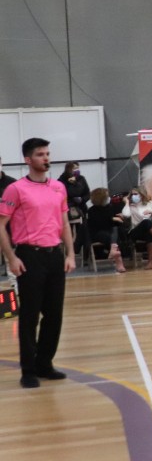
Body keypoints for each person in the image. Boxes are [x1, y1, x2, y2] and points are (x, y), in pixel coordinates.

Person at [0, 138, 75, 389]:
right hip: (29, 256)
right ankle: (28, 369)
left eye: (48, 153)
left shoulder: (58, 188)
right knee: (30, 315)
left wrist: (70, 254)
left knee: (54, 314)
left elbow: (64, 223)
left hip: (55, 255)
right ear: (28, 160)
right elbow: (1, 225)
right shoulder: (15, 189)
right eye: (40, 154)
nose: (46, 158)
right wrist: (12, 257)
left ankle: (45, 363)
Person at [122, 187, 152, 269]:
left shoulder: (151, 204)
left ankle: (151, 262)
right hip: (137, 231)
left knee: (150, 232)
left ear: (142, 195)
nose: (133, 196)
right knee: (146, 222)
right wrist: (127, 203)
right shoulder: (130, 206)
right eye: (132, 195)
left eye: (136, 194)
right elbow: (126, 215)